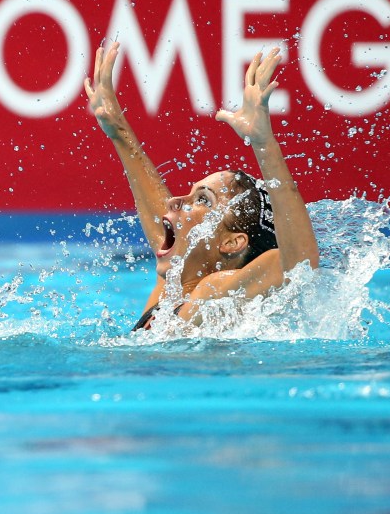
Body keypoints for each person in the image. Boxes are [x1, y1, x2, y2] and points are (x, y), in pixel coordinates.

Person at [83, 42, 319, 330]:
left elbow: (299, 265)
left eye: (203, 200)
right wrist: (117, 129)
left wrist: (263, 143)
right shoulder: (172, 293)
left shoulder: (215, 291)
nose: (175, 201)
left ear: (232, 242)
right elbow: (170, 229)